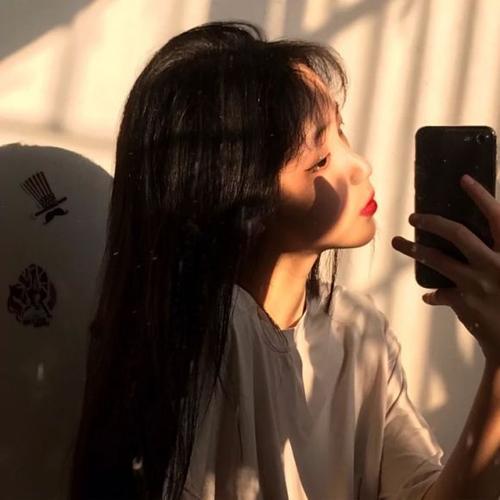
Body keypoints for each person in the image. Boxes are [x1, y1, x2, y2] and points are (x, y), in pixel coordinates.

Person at [68, 21, 447, 500]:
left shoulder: (357, 329)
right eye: (320, 160)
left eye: (341, 132)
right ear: (240, 196)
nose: (360, 166)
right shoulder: (217, 340)